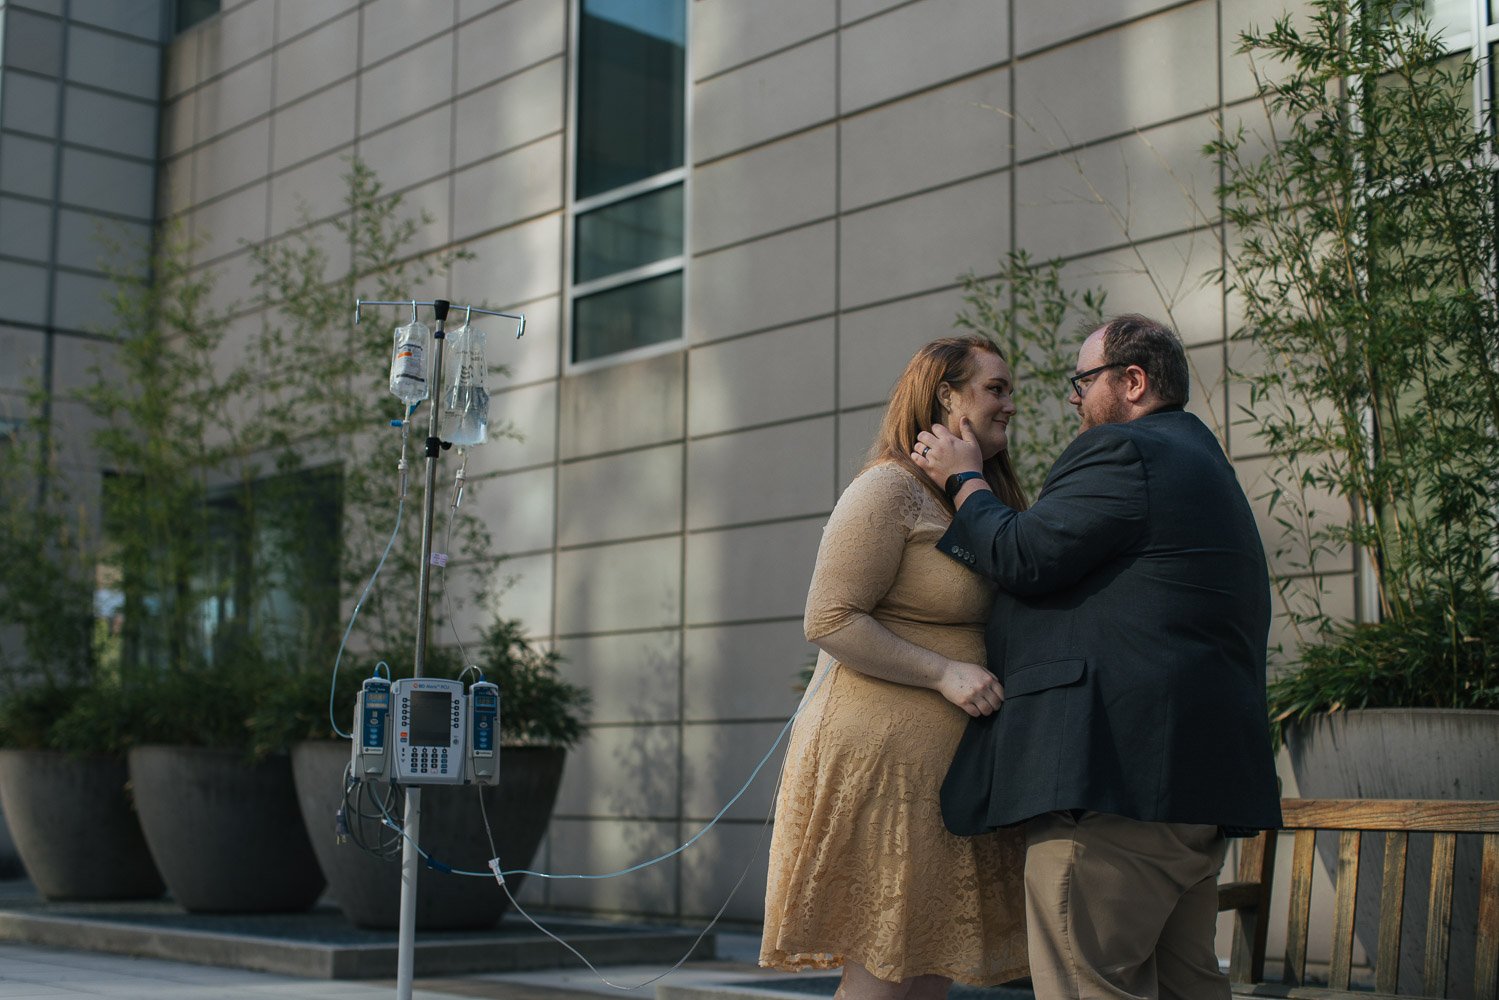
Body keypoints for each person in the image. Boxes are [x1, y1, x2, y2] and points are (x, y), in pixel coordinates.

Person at [911, 314, 1282, 1000]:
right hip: (1186, 796)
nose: (1073, 399)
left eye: (1083, 381)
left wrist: (965, 481)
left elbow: (1022, 555)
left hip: (1116, 791)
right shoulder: (1199, 461)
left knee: (1088, 986)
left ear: (1132, 381)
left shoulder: (1127, 452)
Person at [760, 335, 1030, 1000]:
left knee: (925, 962)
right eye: (995, 388)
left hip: (952, 772)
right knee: (884, 967)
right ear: (946, 397)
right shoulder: (887, 489)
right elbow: (828, 619)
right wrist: (942, 672)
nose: (1009, 404)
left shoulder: (974, 496)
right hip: (882, 768)